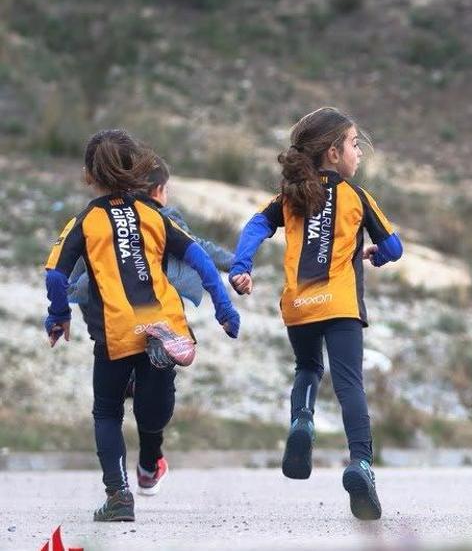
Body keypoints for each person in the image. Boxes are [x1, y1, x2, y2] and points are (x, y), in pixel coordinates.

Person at [43, 130, 239, 522]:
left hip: (115, 333)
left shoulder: (85, 221)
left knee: (107, 412)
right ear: (137, 170)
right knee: (153, 409)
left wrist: (58, 315)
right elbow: (199, 258)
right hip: (161, 322)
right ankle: (153, 440)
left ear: (87, 175)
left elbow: (54, 274)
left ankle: (118, 496)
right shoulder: (153, 214)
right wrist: (223, 308)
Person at [228, 107, 404, 520]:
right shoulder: (356, 196)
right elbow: (394, 248)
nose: (359, 153)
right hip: (341, 305)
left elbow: (256, 225)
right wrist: (375, 255)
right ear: (333, 153)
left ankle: (302, 420)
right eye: (354, 145)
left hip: (299, 305)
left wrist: (241, 267)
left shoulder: (290, 195)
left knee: (307, 368)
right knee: (349, 386)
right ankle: (360, 464)